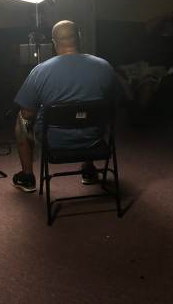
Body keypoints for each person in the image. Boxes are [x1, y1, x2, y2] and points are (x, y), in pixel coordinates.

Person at [12, 20, 121, 192]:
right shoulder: (104, 66)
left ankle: (27, 177)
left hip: (54, 141)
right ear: (79, 37)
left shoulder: (40, 71)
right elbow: (114, 102)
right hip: (94, 139)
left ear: (54, 42)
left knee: (21, 119)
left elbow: (27, 113)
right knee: (88, 112)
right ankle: (88, 170)